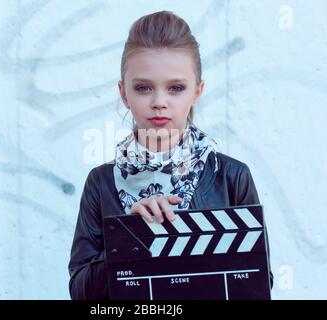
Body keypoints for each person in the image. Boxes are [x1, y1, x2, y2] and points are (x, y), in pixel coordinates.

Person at [68, 10, 273, 300]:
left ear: (197, 91)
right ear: (124, 93)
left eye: (176, 88)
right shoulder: (101, 183)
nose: (159, 102)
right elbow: (81, 294)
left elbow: (260, 284)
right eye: (143, 88)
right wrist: (130, 235)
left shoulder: (232, 177)